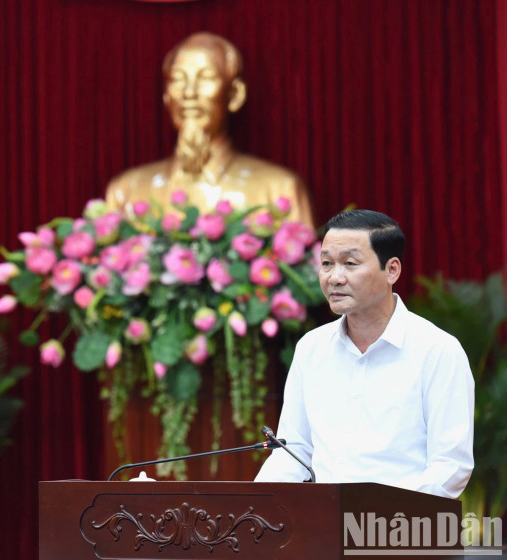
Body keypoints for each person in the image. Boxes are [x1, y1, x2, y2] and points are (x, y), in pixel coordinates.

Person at [254, 210, 474, 498]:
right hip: (323, 521)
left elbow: (450, 466)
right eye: (326, 264)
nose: (334, 277)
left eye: (350, 263)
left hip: (400, 521)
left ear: (391, 270)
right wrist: (253, 507)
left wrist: (384, 515)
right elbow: (293, 451)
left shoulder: (437, 350)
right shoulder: (311, 348)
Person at [105, 32, 313, 226]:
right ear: (166, 97)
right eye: (178, 79)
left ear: (235, 94)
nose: (189, 93)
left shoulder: (280, 192)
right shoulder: (126, 192)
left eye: (205, 78)